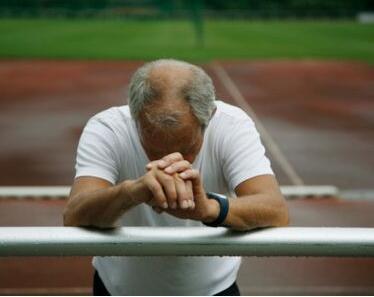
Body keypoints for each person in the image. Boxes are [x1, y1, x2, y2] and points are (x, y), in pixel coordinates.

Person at [63, 59, 289, 296]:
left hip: (214, 290)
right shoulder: (107, 129)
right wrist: (131, 192)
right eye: (154, 148)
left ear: (209, 117)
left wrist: (210, 209)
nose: (168, 164)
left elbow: (275, 210)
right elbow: (75, 214)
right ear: (135, 116)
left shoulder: (231, 125)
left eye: (186, 148)